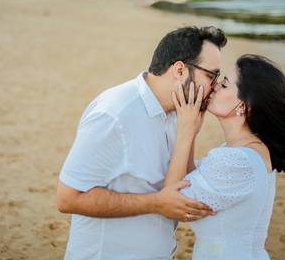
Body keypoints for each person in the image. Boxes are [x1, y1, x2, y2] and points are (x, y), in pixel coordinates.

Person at [56, 26, 227, 259]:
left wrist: (190, 133)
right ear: (179, 70)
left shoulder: (180, 114)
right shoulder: (114, 114)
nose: (215, 86)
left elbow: (180, 190)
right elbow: (68, 198)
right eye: (211, 75)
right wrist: (155, 203)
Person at [166, 54, 285, 259]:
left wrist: (184, 131)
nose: (214, 86)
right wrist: (193, 133)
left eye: (224, 84)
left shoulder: (237, 161)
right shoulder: (248, 151)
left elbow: (171, 201)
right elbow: (189, 180)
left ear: (244, 105)